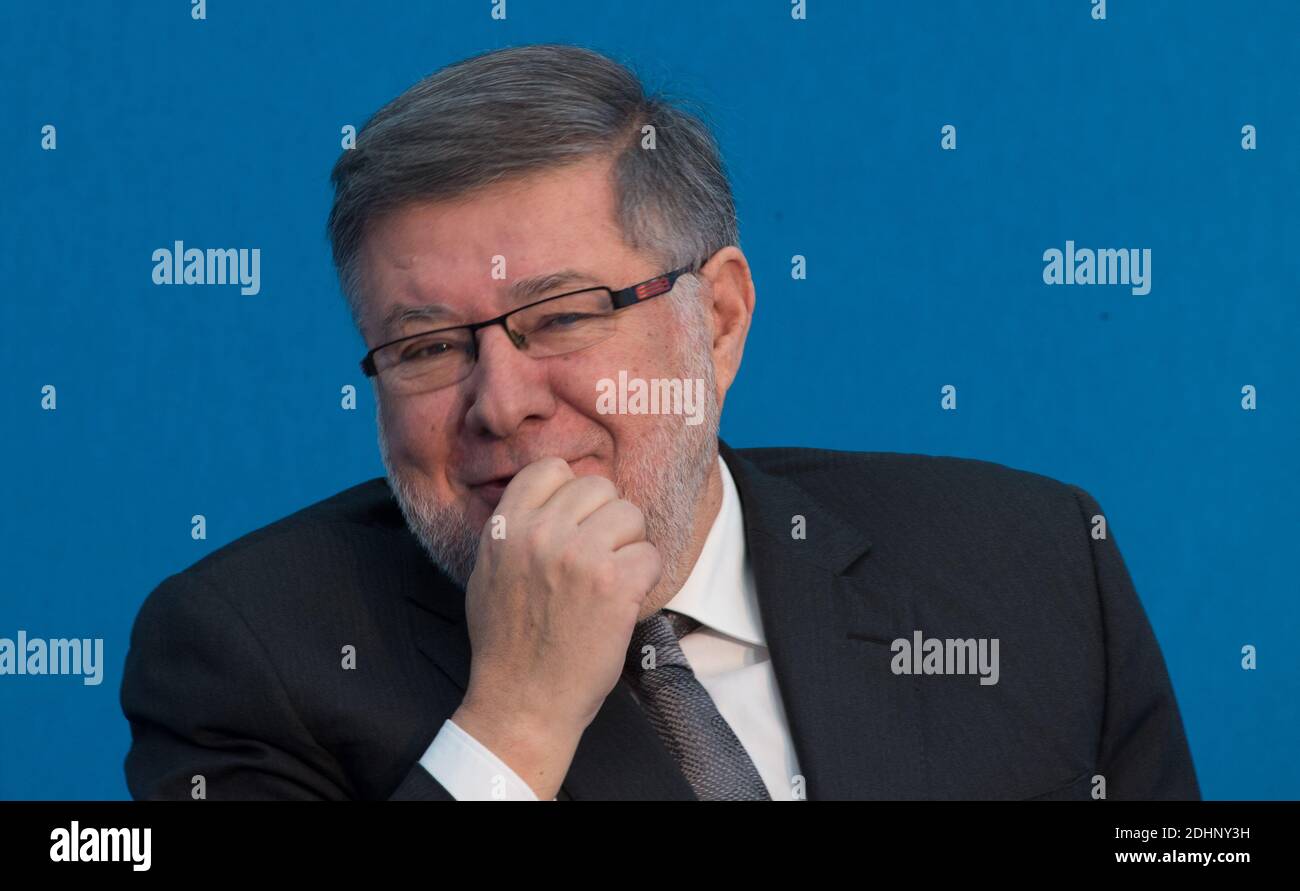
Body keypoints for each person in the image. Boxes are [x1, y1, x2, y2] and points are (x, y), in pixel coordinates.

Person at [120, 43, 1199, 801]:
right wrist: (518, 721)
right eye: (425, 347)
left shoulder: (1033, 564)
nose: (500, 402)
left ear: (719, 321)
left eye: (559, 317)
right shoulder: (246, 657)